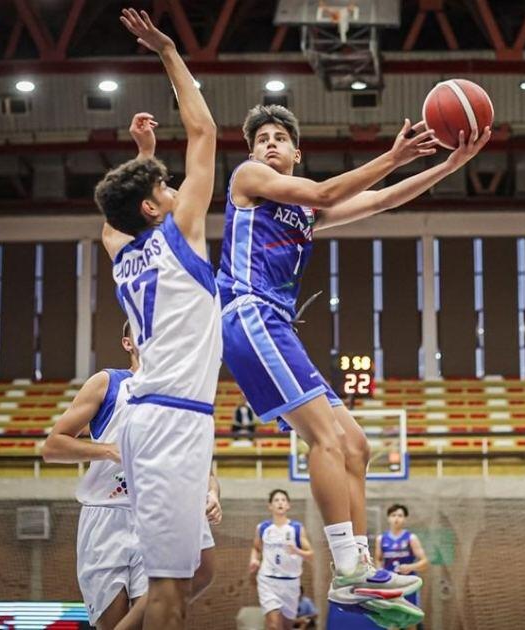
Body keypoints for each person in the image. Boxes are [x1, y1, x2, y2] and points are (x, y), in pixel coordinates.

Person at [215, 100, 489, 627]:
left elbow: (382, 199)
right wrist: (394, 155)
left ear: (297, 153)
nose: (269, 144)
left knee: (357, 445)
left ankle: (359, 566)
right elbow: (324, 192)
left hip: (276, 323)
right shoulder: (248, 179)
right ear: (251, 154)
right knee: (327, 440)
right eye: (261, 139)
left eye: (279, 138)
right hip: (249, 313)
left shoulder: (303, 212)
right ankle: (347, 568)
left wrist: (449, 165)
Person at [94, 8, 221, 628]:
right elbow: (204, 131)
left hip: (154, 419)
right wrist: (168, 50)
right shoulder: (180, 233)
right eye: (165, 187)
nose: (177, 190)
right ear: (153, 208)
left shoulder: (123, 253)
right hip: (172, 420)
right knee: (171, 589)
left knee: (180, 579)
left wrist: (142, 157)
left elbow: (111, 223)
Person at [41, 321, 221, 629]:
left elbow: (198, 459)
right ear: (128, 343)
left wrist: (212, 491)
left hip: (154, 514)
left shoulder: (174, 389)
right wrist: (109, 451)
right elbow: (52, 447)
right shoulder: (107, 382)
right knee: (112, 621)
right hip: (105, 514)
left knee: (158, 615)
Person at [248, 489, 314, 630]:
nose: (280, 503)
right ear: (270, 506)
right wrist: (254, 560)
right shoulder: (263, 528)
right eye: (276, 500)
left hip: (291, 583)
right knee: (273, 625)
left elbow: (311, 555)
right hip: (268, 581)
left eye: (283, 500)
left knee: (286, 626)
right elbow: (256, 548)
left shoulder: (296, 528)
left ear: (288, 505)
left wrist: (297, 551)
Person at [374, 504, 429, 630]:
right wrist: (380, 573)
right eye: (393, 515)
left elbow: (425, 562)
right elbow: (378, 559)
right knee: (392, 622)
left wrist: (411, 566)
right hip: (390, 586)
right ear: (388, 518)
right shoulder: (381, 539)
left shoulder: (411, 538)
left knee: (410, 620)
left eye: (400, 515)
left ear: (405, 519)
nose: (396, 518)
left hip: (408, 585)